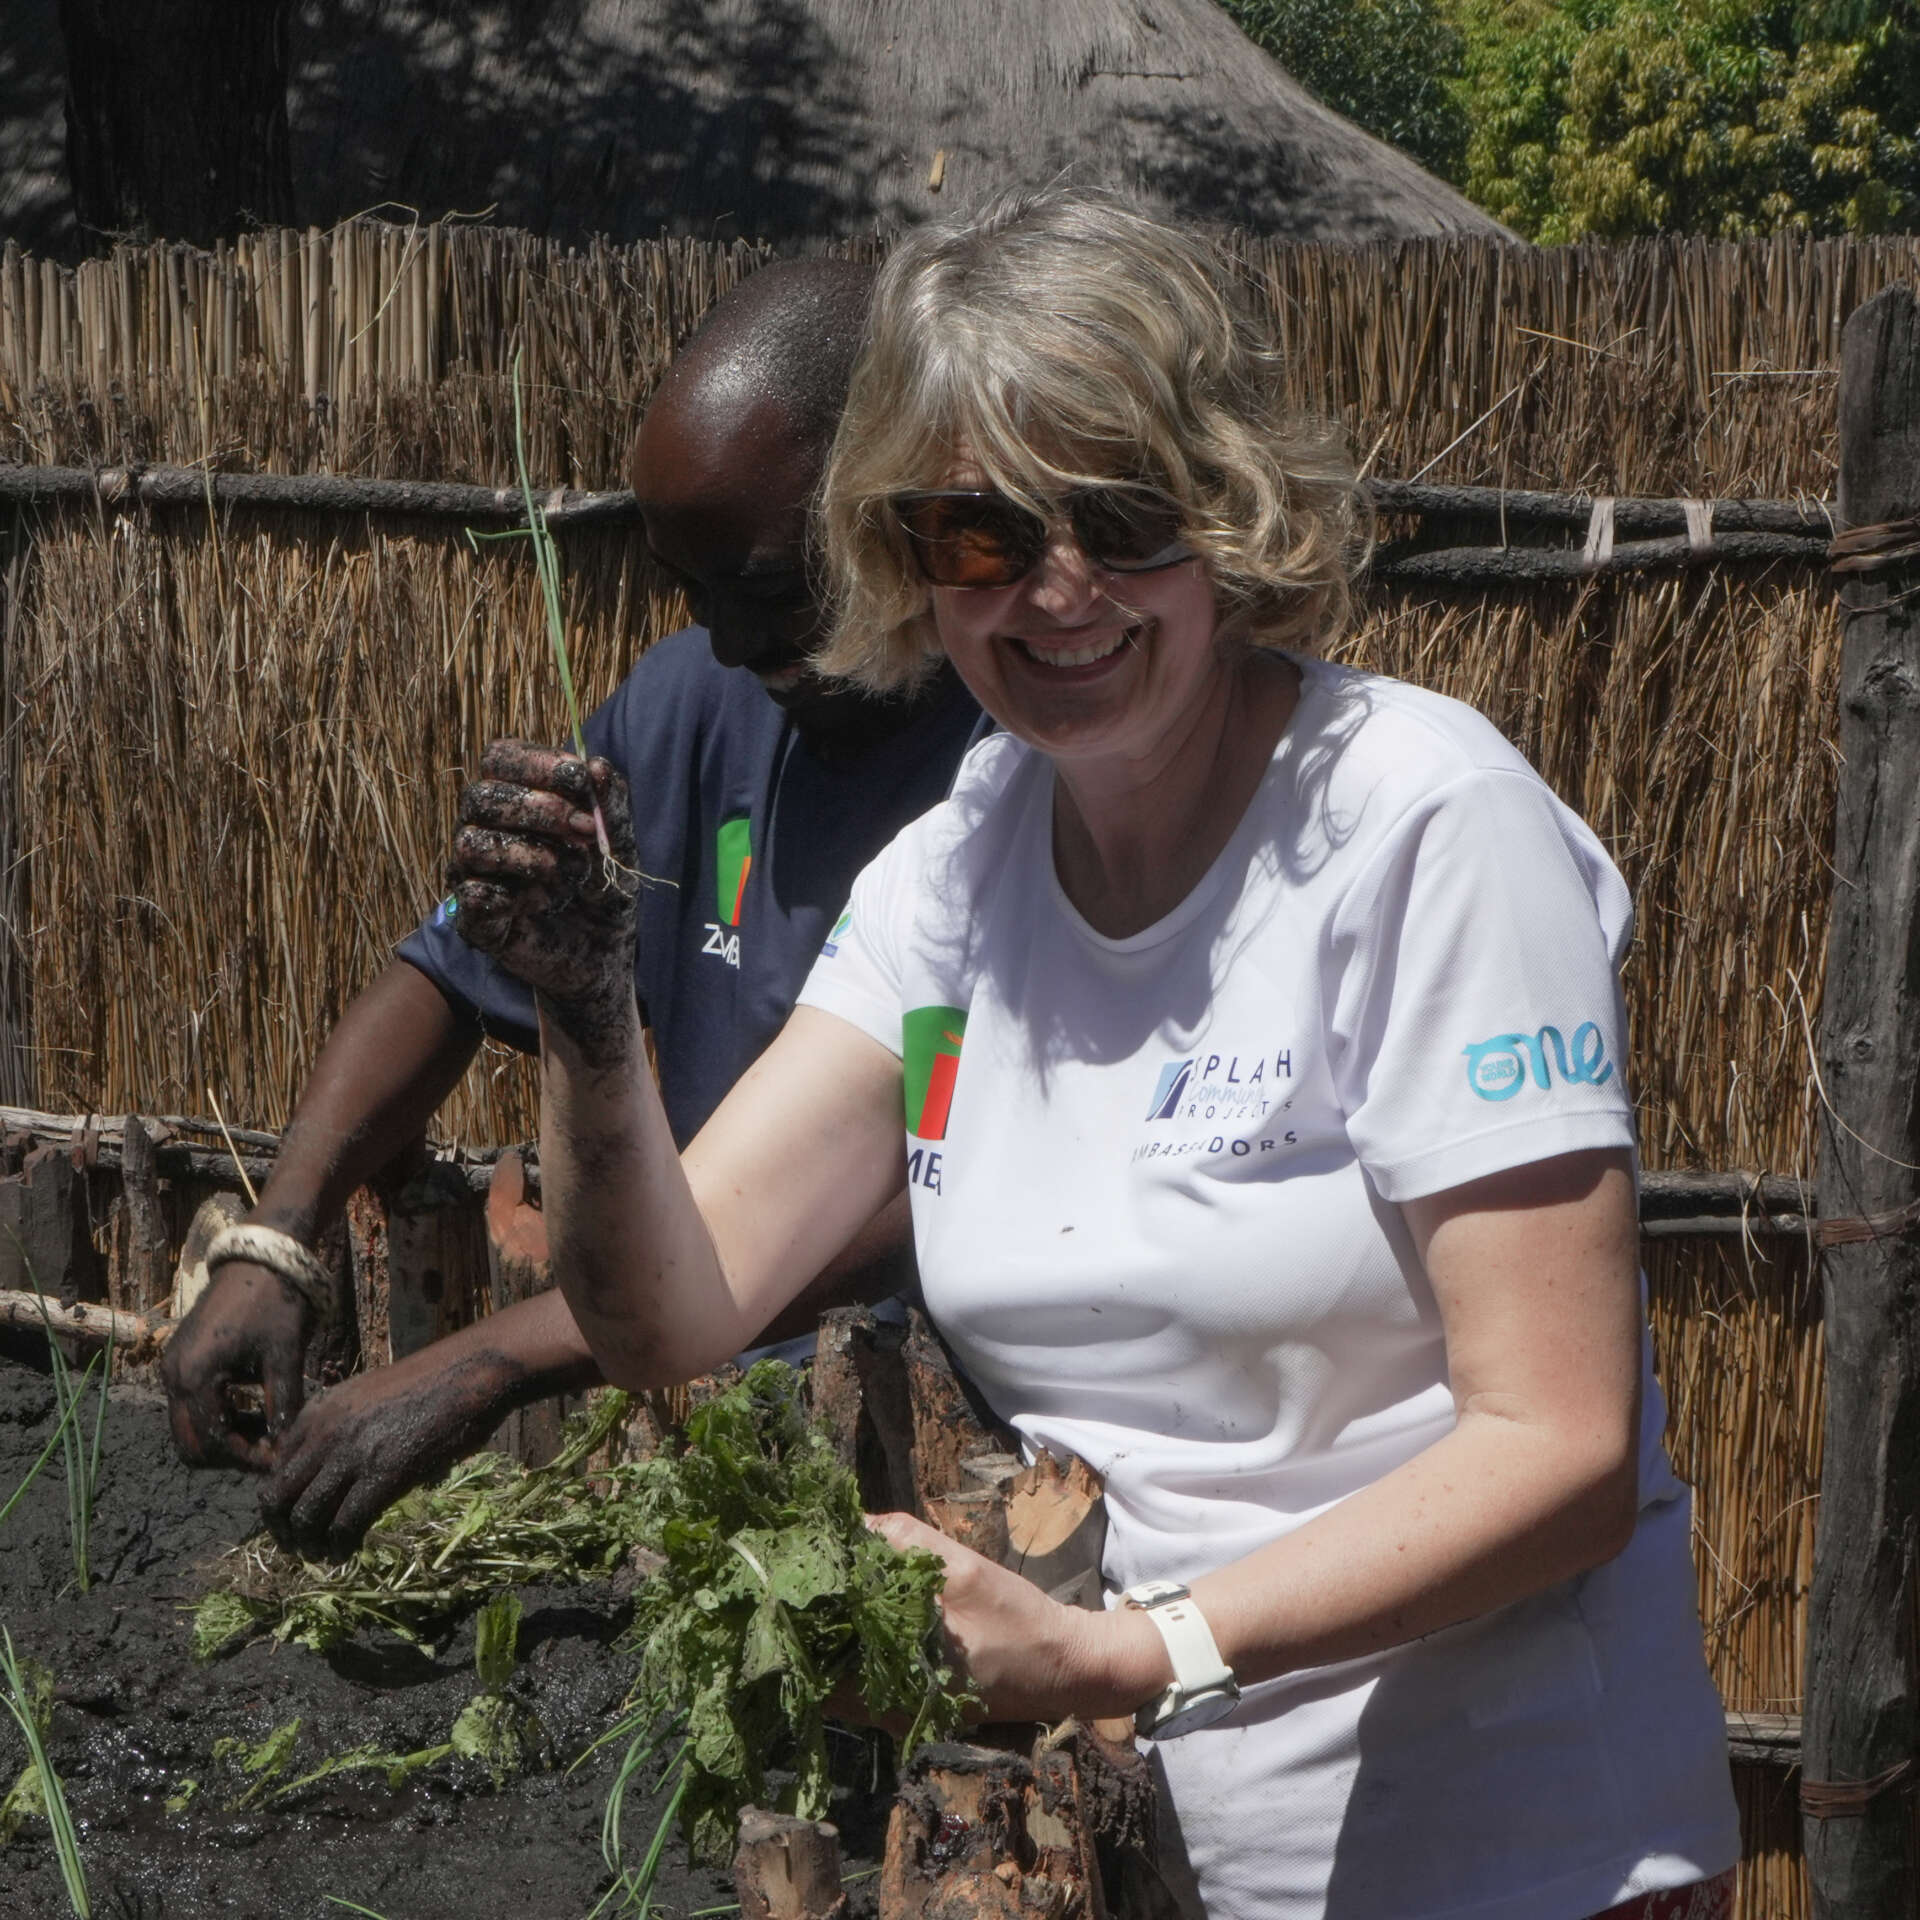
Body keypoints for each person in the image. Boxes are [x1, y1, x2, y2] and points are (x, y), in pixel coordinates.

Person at [445, 190, 1740, 1920]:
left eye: (1124, 520)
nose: (1058, 592)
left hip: (1512, 1859)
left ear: (1230, 516)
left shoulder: (1426, 829)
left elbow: (1561, 1452)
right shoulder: (962, 867)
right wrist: (590, 1024)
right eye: (979, 536)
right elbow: (676, 1308)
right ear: (904, 556)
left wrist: (1130, 1654)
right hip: (1151, 1857)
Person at [160, 259, 985, 1559]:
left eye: (767, 589)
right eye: (688, 590)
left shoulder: (1022, 770)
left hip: (951, 1464)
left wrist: (488, 1362)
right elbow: (449, 974)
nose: (720, 641)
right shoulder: (695, 705)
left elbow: (945, 1198)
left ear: (898, 502)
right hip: (710, 1419)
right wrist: (278, 1236)